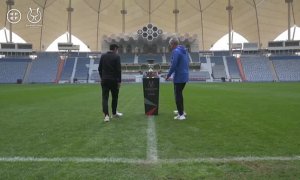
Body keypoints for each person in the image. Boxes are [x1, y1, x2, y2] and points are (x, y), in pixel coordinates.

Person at [166, 37, 189, 120]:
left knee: (177, 95)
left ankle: (181, 115)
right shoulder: (184, 51)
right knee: (180, 94)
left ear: (173, 44)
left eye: (170, 45)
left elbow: (174, 65)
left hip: (179, 76)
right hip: (185, 75)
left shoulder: (176, 51)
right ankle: (181, 111)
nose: (170, 46)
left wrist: (168, 75)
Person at [98, 44, 123, 122]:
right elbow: (118, 70)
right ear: (115, 49)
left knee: (105, 98)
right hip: (114, 80)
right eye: (117, 49)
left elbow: (99, 69)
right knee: (114, 97)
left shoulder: (103, 56)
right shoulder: (117, 56)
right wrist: (119, 81)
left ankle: (106, 116)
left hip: (105, 80)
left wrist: (102, 77)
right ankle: (114, 113)